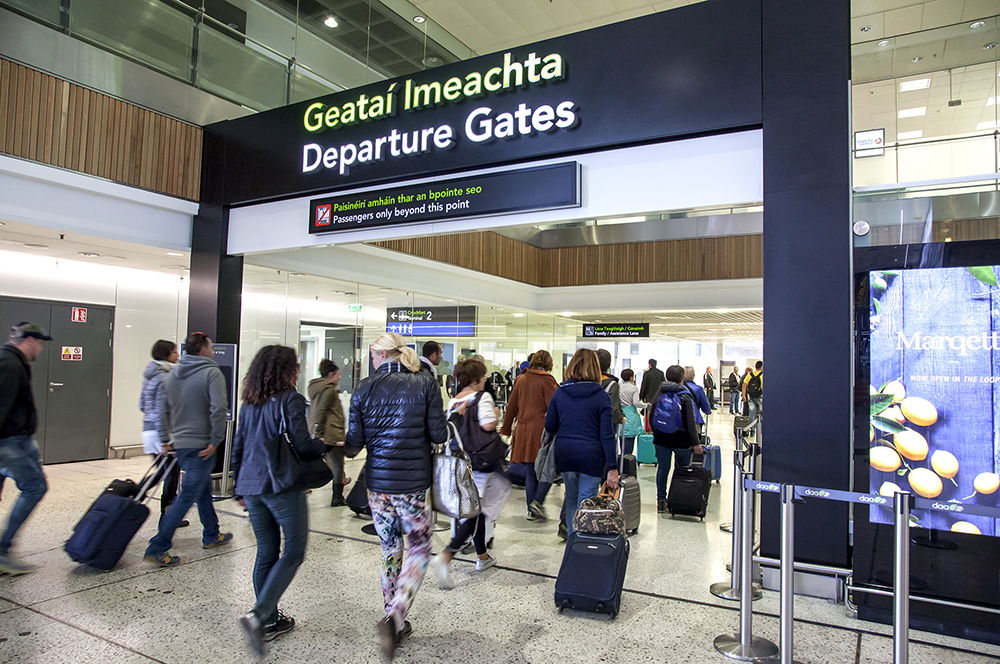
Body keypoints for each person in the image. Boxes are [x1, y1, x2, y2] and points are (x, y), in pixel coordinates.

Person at [344, 332, 453, 661]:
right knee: (419, 547)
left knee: (390, 549)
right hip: (412, 484)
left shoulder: (364, 387)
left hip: (377, 486)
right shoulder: (425, 384)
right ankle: (396, 616)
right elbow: (439, 434)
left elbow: (353, 444)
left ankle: (393, 616)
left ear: (379, 355)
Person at [232, 346, 327, 655]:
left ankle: (270, 620)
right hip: (280, 485)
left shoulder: (248, 403)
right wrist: (323, 445)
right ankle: (258, 615)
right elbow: (302, 443)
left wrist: (237, 488)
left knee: (266, 551)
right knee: (295, 551)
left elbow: (239, 445)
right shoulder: (291, 399)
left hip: (251, 486)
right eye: (295, 367)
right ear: (285, 371)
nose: (299, 372)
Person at [144, 332, 233, 566]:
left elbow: (161, 409)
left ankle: (212, 534)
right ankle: (158, 545)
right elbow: (218, 408)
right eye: (211, 348)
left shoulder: (172, 374)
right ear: (203, 350)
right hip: (201, 444)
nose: (213, 351)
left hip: (181, 444)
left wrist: (165, 439)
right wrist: (216, 439)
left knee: (201, 490)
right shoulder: (211, 372)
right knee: (186, 497)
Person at [430, 358, 510, 586]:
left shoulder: (454, 401)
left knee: (476, 508)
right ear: (475, 380)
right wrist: (495, 412)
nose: (485, 380)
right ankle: (447, 554)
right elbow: (487, 425)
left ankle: (482, 556)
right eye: (483, 377)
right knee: (480, 510)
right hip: (481, 461)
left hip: (460, 461)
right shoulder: (481, 397)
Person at [545, 348, 618, 538]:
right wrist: (612, 466)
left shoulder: (560, 392)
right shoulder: (601, 396)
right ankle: (582, 544)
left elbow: (550, 425)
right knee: (586, 501)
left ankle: (572, 542)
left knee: (571, 499)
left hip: (565, 454)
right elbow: (607, 435)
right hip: (591, 456)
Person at [0, 322, 51, 574]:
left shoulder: (9, 360)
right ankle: (3, 549)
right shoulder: (10, 364)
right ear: (30, 340)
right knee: (35, 487)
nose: (40, 350)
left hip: (15, 439)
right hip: (9, 441)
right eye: (40, 344)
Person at [499, 350, 558, 520]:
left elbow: (511, 407)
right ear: (548, 363)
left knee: (531, 470)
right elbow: (554, 407)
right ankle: (537, 503)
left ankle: (531, 508)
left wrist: (506, 429)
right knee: (543, 469)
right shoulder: (547, 380)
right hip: (539, 429)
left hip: (522, 429)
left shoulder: (521, 379)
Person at [139, 339, 186, 527]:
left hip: (148, 430)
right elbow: (161, 411)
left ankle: (136, 495)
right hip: (161, 433)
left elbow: (142, 405)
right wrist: (165, 439)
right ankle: (166, 518)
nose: (178, 355)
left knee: (161, 472)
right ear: (167, 355)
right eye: (175, 352)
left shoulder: (150, 375)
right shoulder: (166, 377)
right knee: (171, 473)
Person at [651, 365, 703, 513]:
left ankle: (661, 500)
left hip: (661, 439)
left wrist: (656, 434)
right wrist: (696, 443)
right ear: (682, 378)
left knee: (663, 469)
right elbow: (690, 423)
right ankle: (678, 499)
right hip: (681, 440)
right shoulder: (685, 395)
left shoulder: (659, 393)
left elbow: (651, 416)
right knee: (681, 470)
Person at [308, 359, 349, 507]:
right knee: (338, 465)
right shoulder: (329, 390)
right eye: (337, 375)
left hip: (322, 432)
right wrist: (319, 434)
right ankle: (337, 497)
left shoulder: (317, 388)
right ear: (331, 374)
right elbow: (321, 411)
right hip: (330, 434)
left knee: (332, 463)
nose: (339, 377)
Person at [618, 368, 646, 457]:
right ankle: (628, 462)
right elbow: (636, 403)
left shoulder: (618, 387)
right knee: (630, 442)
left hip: (621, 415)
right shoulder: (634, 388)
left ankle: (621, 461)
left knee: (622, 439)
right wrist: (646, 405)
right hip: (631, 416)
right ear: (631, 377)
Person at [596, 349, 623, 432]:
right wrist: (621, 418)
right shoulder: (612, 384)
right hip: (606, 429)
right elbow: (614, 410)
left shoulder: (587, 382)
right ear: (609, 365)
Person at [683, 366, 712, 435]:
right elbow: (706, 408)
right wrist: (708, 411)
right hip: (694, 419)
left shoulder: (677, 388)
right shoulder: (698, 389)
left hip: (678, 422)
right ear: (693, 375)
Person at [639, 359, 665, 430]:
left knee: (650, 415)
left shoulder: (647, 374)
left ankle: (650, 430)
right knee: (659, 414)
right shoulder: (661, 373)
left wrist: (641, 397)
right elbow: (664, 385)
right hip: (659, 398)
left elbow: (643, 386)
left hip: (650, 399)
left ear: (649, 365)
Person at [743, 360, 764, 426]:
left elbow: (744, 385)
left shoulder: (750, 375)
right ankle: (761, 429)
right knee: (761, 413)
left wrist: (744, 395)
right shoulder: (763, 375)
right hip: (760, 396)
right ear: (762, 367)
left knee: (752, 413)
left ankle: (752, 430)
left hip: (751, 396)